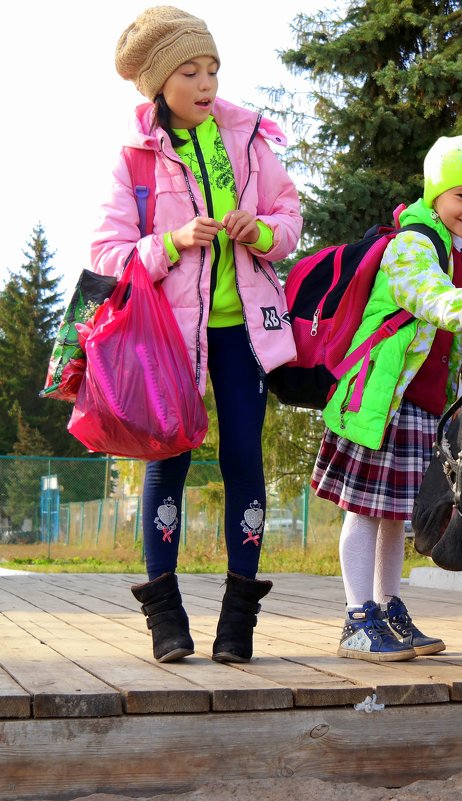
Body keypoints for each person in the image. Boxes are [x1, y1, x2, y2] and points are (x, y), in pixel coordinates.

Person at [91, 6, 302, 664]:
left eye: (213, 68)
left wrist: (260, 232)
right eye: (190, 70)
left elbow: (289, 218)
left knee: (245, 459)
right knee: (167, 463)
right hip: (167, 341)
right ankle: (165, 618)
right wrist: (172, 244)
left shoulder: (247, 137)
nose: (207, 82)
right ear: (159, 83)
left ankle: (238, 619)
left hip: (245, 335)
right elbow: (107, 255)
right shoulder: (132, 158)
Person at [311, 127, 462, 663]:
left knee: (395, 514)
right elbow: (428, 294)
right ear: (435, 193)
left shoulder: (460, 251)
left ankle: (389, 607)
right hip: (379, 400)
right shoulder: (413, 244)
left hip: (418, 408)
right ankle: (357, 619)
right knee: (364, 512)